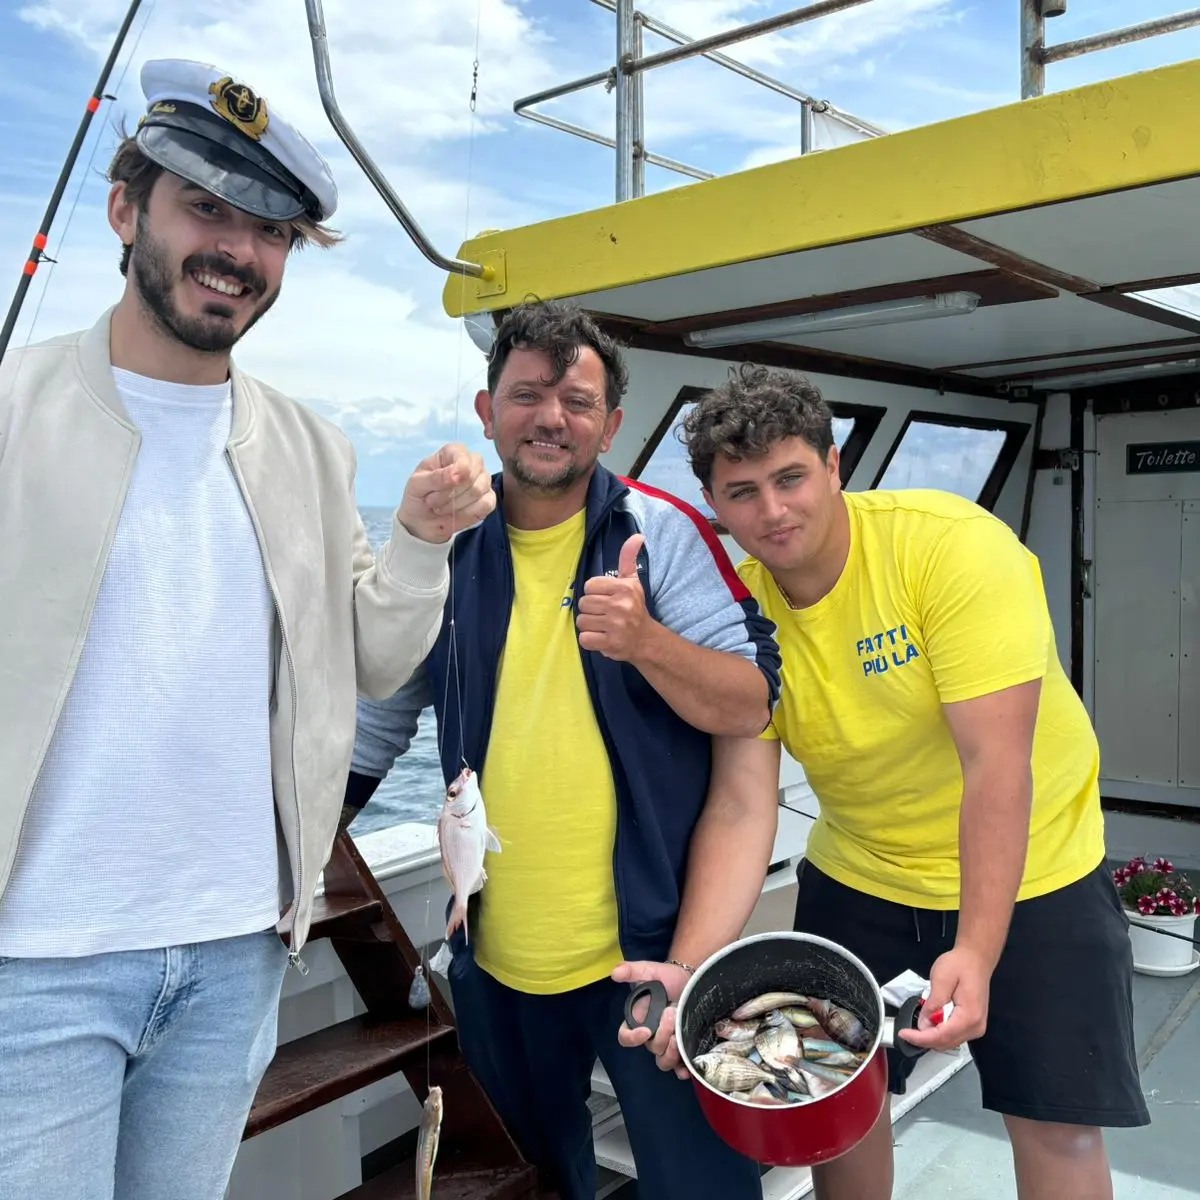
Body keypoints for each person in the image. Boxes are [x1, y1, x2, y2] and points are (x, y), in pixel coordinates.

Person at [0, 58, 494, 1200]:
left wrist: (420, 539)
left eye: (270, 229)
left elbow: (375, 660)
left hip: (240, 950)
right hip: (35, 962)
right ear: (126, 211)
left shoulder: (315, 449)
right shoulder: (13, 411)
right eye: (205, 209)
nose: (236, 250)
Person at [629, 362, 1149, 1200]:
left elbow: (995, 769)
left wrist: (976, 950)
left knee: (1055, 1124)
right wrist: (686, 967)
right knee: (839, 1111)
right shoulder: (739, 616)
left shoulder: (947, 548)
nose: (773, 511)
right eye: (743, 492)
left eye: (791, 478)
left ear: (834, 465)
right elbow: (742, 804)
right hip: (862, 877)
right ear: (714, 504)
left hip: (1036, 872)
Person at [348, 300, 784, 1200]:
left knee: (702, 1183)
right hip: (494, 953)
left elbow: (752, 702)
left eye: (577, 401)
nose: (551, 417)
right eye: (527, 396)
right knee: (533, 1180)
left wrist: (647, 643)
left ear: (611, 425)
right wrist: (305, 837)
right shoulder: (446, 549)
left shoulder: (661, 533)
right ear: (487, 411)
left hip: (649, 949)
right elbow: (379, 719)